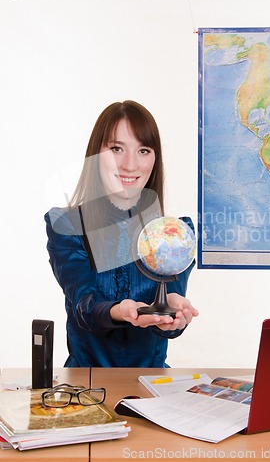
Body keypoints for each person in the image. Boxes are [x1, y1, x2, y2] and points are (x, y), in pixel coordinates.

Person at [45, 100, 198, 367]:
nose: (130, 165)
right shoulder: (68, 225)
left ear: (155, 158)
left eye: (143, 150)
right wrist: (120, 311)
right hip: (86, 386)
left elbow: (169, 312)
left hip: (151, 389)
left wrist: (174, 314)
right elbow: (85, 307)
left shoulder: (174, 234)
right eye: (117, 148)